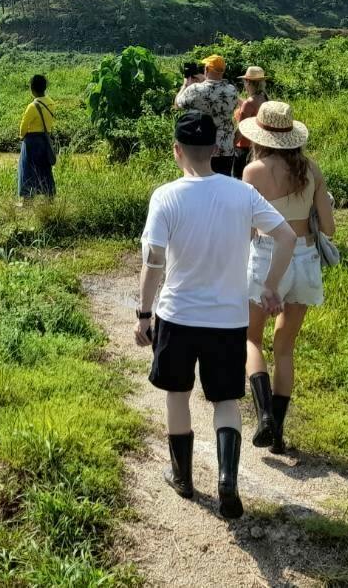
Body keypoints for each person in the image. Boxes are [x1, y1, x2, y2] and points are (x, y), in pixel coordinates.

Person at [134, 110, 296, 521]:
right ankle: (227, 478)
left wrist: (143, 313)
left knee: (177, 394)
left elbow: (153, 260)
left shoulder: (165, 196)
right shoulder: (240, 194)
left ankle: (183, 479)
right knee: (225, 401)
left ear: (176, 152)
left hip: (178, 315)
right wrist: (271, 286)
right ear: (218, 150)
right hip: (228, 318)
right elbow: (286, 235)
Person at [240, 101, 333, 456]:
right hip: (306, 258)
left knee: (250, 338)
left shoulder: (254, 172)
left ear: (260, 137)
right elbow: (329, 227)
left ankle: (263, 416)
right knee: (285, 347)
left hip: (267, 255)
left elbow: (248, 230)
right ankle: (277, 432)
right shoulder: (312, 170)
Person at [175, 55, 240, 176]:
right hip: (225, 148)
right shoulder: (232, 90)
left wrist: (185, 85)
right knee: (223, 184)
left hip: (201, 148)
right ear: (223, 71)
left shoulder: (195, 89)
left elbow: (178, 104)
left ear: (206, 70)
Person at [17, 74, 56, 201]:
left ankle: (27, 201)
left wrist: (21, 136)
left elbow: (23, 127)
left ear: (32, 89)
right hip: (45, 140)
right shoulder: (51, 103)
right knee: (45, 170)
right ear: (44, 88)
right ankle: (49, 199)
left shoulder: (32, 106)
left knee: (28, 171)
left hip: (32, 142)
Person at [232, 66, 269, 179]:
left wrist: (230, 144)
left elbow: (241, 130)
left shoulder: (249, 103)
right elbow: (251, 108)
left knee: (239, 180)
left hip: (243, 148)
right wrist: (237, 99)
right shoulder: (264, 97)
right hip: (257, 147)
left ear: (248, 82)